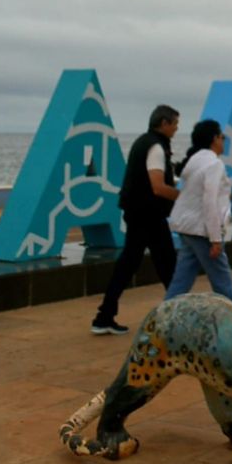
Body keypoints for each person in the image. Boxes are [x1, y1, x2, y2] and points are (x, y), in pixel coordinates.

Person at [92, 104, 181, 335]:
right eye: (175, 123)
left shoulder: (143, 142)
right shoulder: (156, 148)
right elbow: (158, 187)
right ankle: (180, 318)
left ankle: (104, 317)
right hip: (149, 215)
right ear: (164, 123)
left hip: (138, 213)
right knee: (168, 266)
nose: (176, 128)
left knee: (131, 264)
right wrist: (186, 196)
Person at [164, 119, 232, 303]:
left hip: (187, 227)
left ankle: (163, 319)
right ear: (214, 139)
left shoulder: (195, 160)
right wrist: (215, 238)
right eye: (222, 137)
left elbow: (199, 194)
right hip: (202, 230)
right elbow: (209, 201)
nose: (223, 141)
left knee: (181, 281)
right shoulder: (214, 164)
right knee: (223, 281)